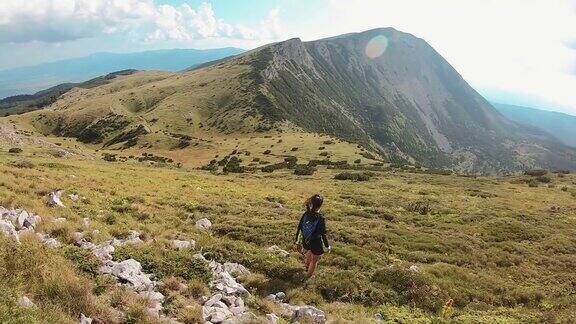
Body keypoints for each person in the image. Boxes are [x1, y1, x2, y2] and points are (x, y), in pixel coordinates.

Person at [294, 194, 331, 277]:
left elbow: (300, 227)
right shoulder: (320, 218)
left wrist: (297, 240)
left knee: (309, 253)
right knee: (314, 260)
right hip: (316, 242)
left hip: (306, 240)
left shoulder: (306, 214)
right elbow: (323, 234)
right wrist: (327, 246)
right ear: (320, 205)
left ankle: (306, 267)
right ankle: (308, 276)